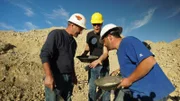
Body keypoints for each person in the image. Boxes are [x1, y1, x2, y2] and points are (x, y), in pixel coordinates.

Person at [100, 23, 175, 101]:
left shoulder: (128, 42)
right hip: (139, 93)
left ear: (110, 37)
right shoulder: (120, 51)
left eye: (103, 41)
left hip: (152, 94)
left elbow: (148, 61)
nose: (104, 44)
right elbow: (133, 66)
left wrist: (129, 80)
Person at [40, 13, 86, 101]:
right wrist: (49, 76)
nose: (80, 32)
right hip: (56, 77)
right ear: (72, 25)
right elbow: (44, 54)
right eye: (80, 29)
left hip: (68, 80)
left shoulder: (74, 43)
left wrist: (73, 75)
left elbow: (70, 60)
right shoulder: (56, 34)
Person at [81, 12, 110, 101]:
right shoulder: (89, 35)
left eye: (99, 24)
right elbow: (88, 47)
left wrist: (98, 61)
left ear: (102, 24)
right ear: (92, 24)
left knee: (105, 89)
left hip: (103, 66)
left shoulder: (105, 35)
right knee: (92, 88)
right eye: (94, 24)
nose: (96, 26)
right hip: (92, 67)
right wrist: (83, 56)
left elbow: (105, 53)